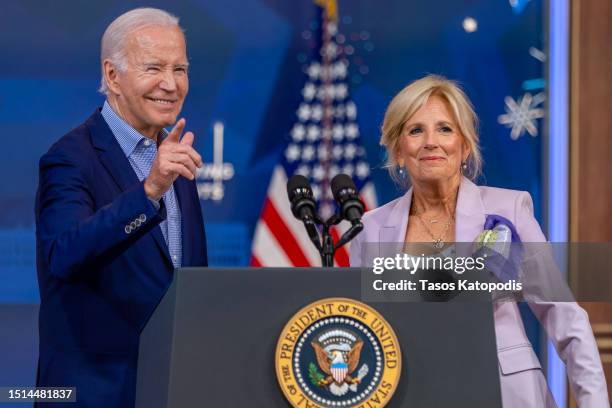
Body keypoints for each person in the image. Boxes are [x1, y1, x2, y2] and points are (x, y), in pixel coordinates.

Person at [349, 75, 609, 407]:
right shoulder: (371, 228)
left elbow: (564, 316)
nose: (431, 142)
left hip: (504, 392)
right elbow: (364, 329)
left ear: (465, 146)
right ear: (399, 151)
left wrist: (594, 402)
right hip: (412, 393)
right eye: (416, 131)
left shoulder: (509, 209)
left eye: (445, 129)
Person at [35, 8, 207, 407]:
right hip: (93, 394)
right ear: (112, 76)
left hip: (172, 388)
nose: (171, 84)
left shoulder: (172, 152)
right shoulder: (70, 158)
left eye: (179, 69)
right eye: (154, 68)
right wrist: (148, 192)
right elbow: (64, 255)